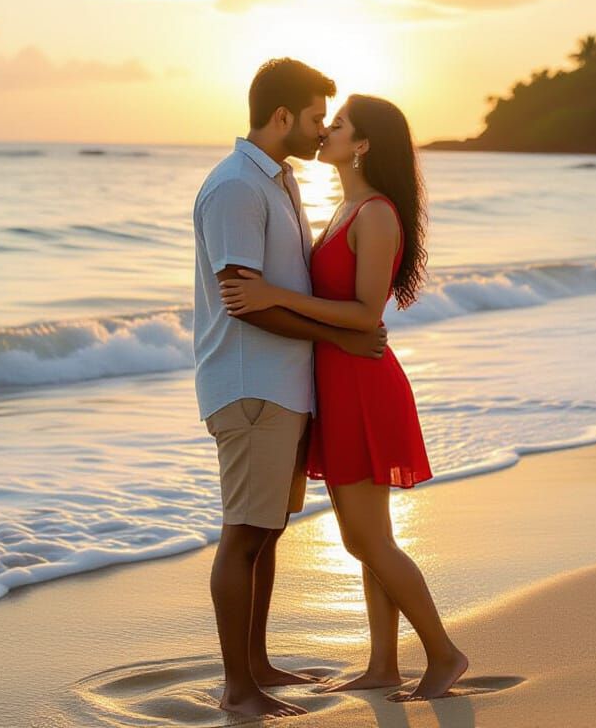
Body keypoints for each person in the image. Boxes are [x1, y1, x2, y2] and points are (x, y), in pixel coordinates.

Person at [220, 94, 469, 701]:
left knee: (366, 540)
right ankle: (384, 665)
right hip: (337, 384)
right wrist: (276, 297)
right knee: (367, 538)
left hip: (363, 385)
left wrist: (273, 297)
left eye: (337, 126)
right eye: (324, 122)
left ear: (362, 145)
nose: (325, 132)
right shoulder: (343, 208)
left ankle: (443, 652)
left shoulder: (376, 214)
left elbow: (363, 315)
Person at [191, 58, 389, 719]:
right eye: (311, 118)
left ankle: (257, 663)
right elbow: (243, 300)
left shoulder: (275, 182)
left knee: (267, 532)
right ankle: (238, 689)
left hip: (282, 385)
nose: (318, 130)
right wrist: (340, 337)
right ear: (281, 117)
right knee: (244, 533)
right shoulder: (235, 190)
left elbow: (281, 289)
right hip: (250, 384)